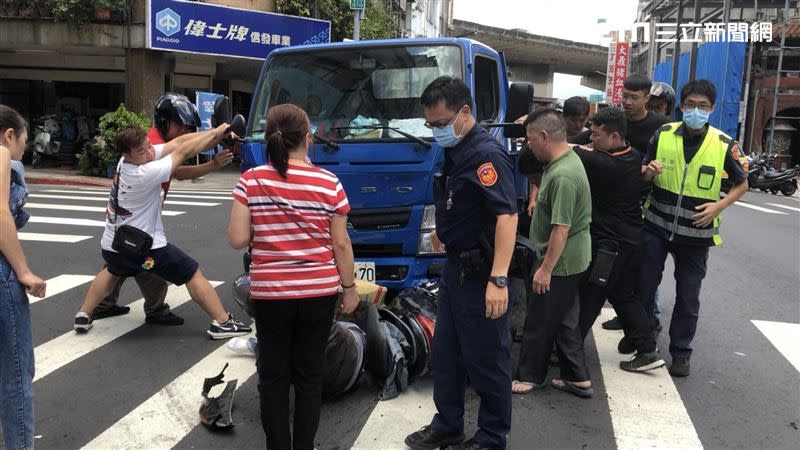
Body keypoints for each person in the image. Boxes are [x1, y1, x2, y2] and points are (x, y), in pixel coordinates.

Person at [227, 103, 359, 450]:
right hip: (318, 294)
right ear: (307, 137)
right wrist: (349, 290)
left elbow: (238, 239)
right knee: (309, 377)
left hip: (271, 295)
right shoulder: (329, 183)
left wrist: (269, 227)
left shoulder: (251, 180)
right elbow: (341, 244)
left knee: (273, 378)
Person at [405, 76, 517, 450]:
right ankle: (448, 424)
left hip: (481, 272)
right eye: (430, 125)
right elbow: (457, 202)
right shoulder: (454, 151)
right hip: (454, 269)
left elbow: (507, 216)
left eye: (440, 123)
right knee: (447, 354)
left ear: (464, 113)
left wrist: (498, 279)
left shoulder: (486, 155)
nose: (436, 131)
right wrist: (444, 233)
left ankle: (491, 437)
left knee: (487, 359)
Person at [72, 124, 251, 339]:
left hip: (115, 244)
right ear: (127, 154)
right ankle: (222, 322)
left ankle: (83, 314)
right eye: (142, 151)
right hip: (146, 250)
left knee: (111, 270)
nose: (149, 153)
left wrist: (213, 132)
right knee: (191, 272)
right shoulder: (145, 172)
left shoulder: (125, 162)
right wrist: (216, 132)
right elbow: (182, 151)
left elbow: (177, 143)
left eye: (149, 147)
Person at [93, 93, 234, 326]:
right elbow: (182, 157)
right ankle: (156, 310)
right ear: (164, 121)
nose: (184, 131)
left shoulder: (151, 143)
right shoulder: (152, 146)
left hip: (132, 224)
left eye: (187, 127)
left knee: (118, 264)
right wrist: (214, 156)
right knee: (151, 267)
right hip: (137, 227)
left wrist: (217, 140)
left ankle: (101, 306)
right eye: (180, 125)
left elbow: (181, 157)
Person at [639, 79, 748, 377]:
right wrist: (649, 172)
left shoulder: (725, 144)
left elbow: (743, 183)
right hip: (657, 226)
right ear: (681, 107)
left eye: (702, 106)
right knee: (645, 287)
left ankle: (681, 352)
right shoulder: (663, 134)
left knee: (688, 296)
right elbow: (644, 171)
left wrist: (718, 206)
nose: (695, 111)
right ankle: (645, 344)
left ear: (711, 109)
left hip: (696, 235)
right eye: (690, 105)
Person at [572, 107, 665, 372]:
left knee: (590, 296)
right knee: (623, 296)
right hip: (630, 240)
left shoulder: (606, 163)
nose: (592, 140)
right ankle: (647, 349)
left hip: (612, 246)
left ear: (614, 136)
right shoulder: (632, 156)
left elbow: (565, 146)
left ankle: (569, 352)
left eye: (597, 135)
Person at [512, 107, 593, 398]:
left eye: (531, 140)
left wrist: (545, 269)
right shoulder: (566, 160)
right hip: (572, 258)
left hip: (561, 261)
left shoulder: (562, 176)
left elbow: (561, 228)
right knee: (566, 318)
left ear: (544, 137)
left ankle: (531, 375)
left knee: (539, 320)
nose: (529, 147)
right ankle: (577, 377)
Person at [602, 73, 670, 334]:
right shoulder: (616, 120)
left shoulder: (661, 126)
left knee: (645, 264)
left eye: (633, 97)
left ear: (646, 98)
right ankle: (626, 315)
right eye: (624, 96)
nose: (627, 102)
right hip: (617, 201)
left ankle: (648, 318)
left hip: (647, 202)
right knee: (621, 263)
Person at [1, 105, 47, 450]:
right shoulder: (2, 153)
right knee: (16, 373)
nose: (23, 150)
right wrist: (24, 271)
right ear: (9, 134)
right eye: (23, 141)